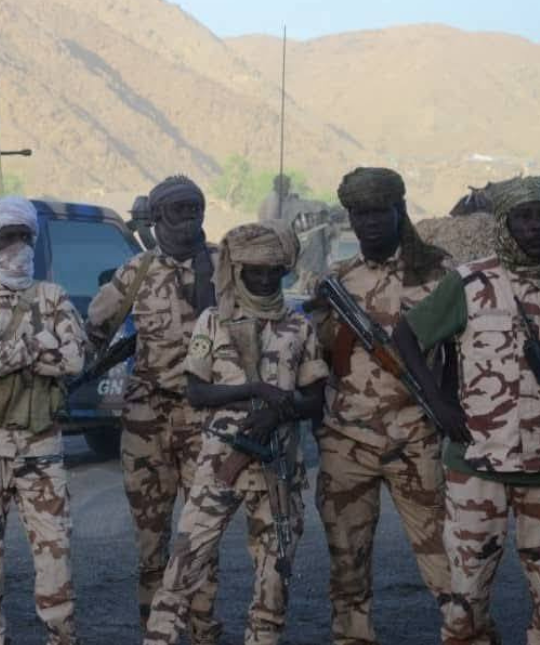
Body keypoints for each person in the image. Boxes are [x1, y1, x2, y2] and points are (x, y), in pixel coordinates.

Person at [144, 221, 327, 645]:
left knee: (274, 577)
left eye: (273, 271)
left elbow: (315, 399)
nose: (264, 279)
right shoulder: (214, 321)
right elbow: (197, 391)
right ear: (238, 271)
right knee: (184, 564)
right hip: (220, 465)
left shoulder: (298, 326)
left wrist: (276, 413)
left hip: (278, 468)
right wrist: (254, 391)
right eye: (254, 271)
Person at [310, 167, 453, 645]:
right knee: (347, 564)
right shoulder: (337, 280)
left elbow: (460, 350)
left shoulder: (435, 272)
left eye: (379, 211)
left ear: (399, 210)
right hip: (345, 440)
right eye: (359, 213)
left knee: (445, 558)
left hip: (417, 437)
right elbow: (315, 357)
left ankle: (467, 633)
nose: (369, 222)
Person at [394, 176, 540, 645]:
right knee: (465, 601)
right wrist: (438, 404)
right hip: (477, 463)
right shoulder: (470, 281)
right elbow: (406, 335)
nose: (534, 227)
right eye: (523, 217)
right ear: (504, 222)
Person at [85, 175, 221, 641]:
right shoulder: (136, 272)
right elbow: (93, 334)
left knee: (202, 538)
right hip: (147, 422)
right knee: (150, 540)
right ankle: (156, 631)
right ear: (158, 217)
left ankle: (203, 633)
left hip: (206, 420)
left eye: (196, 209)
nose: (190, 219)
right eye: (179, 211)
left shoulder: (224, 267)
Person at [0, 198, 85, 645]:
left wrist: (17, 354)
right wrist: (40, 342)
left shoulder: (52, 295)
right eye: (7, 238)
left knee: (55, 557)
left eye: (23, 237)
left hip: (41, 447)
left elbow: (74, 360)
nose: (18, 247)